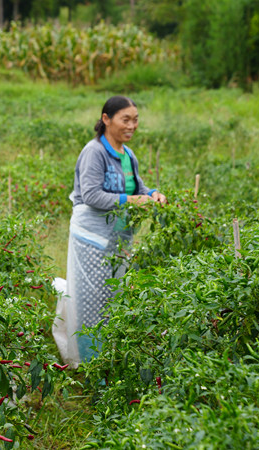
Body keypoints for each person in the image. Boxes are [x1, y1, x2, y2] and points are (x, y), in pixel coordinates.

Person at [61, 95, 166, 364]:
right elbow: (92, 195)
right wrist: (130, 201)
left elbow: (137, 188)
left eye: (136, 119)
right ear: (106, 120)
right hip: (92, 240)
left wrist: (152, 194)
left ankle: (110, 359)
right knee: (93, 304)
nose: (132, 125)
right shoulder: (94, 152)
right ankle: (89, 365)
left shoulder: (127, 154)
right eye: (125, 119)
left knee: (115, 298)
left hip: (118, 238)